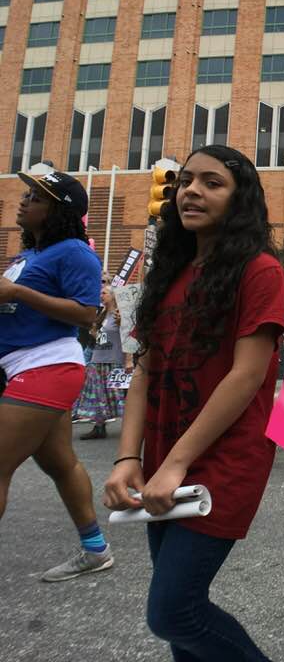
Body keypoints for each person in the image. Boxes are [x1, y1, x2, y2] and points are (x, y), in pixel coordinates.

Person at [103, 145, 284, 661]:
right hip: (164, 457)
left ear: (240, 199)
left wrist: (178, 463)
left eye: (212, 182)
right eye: (186, 181)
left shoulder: (261, 271)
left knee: (173, 611)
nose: (192, 191)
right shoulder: (170, 272)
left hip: (223, 461)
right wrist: (128, 458)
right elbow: (143, 371)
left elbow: (247, 375)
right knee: (179, 627)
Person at [0, 167, 114, 581]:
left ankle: (95, 549)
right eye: (28, 193)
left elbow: (86, 313)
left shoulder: (75, 252)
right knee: (60, 464)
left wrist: (16, 292)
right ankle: (95, 550)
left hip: (46, 364)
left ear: (58, 212)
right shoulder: (30, 255)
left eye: (38, 197)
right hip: (24, 365)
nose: (26, 199)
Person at [76, 283, 133, 439]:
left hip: (114, 361)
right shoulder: (103, 315)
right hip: (98, 359)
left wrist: (128, 360)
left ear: (113, 296)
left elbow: (127, 337)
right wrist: (94, 332)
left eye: (104, 293)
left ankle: (132, 430)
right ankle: (99, 427)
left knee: (119, 396)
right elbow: (104, 340)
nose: (101, 295)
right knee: (98, 394)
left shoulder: (119, 314)